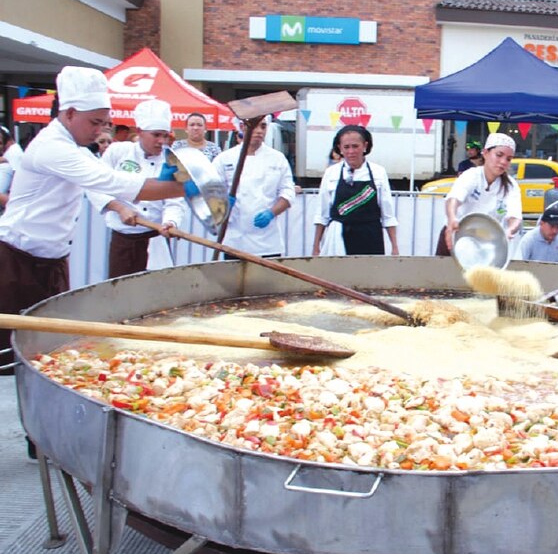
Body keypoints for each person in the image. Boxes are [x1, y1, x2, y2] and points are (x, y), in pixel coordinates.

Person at [0, 66, 196, 384]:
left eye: (104, 123)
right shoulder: (52, 147)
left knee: (48, 350)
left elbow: (108, 181)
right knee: (10, 356)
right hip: (16, 260)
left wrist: (175, 190)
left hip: (52, 260)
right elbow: (108, 181)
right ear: (70, 113)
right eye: (95, 122)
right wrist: (183, 187)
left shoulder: (76, 148)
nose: (100, 131)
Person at [86, 100, 187, 278]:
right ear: (139, 132)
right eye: (156, 135)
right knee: (121, 294)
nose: (161, 141)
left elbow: (174, 201)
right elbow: (94, 186)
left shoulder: (171, 160)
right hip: (123, 238)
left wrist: (171, 222)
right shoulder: (118, 152)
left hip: (156, 238)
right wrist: (119, 207)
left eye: (165, 135)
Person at [213, 116, 295, 258]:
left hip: (267, 241)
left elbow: (288, 192)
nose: (259, 131)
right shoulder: (224, 159)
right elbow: (211, 191)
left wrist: (271, 213)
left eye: (263, 127)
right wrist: (222, 202)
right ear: (243, 127)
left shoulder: (277, 158)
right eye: (255, 126)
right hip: (235, 240)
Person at [312, 125, 398, 256]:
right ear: (340, 148)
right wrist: (316, 246)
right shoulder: (331, 173)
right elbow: (322, 213)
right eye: (346, 147)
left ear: (365, 146)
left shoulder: (378, 172)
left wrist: (394, 247)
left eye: (355, 146)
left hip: (370, 235)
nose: (351, 151)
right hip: (339, 237)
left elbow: (387, 213)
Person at [435, 132, 522, 255]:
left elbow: (515, 216)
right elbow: (454, 198)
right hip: (456, 236)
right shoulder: (472, 175)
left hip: (485, 244)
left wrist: (510, 230)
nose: (503, 162)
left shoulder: (511, 186)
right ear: (485, 153)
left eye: (508, 159)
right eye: (499, 155)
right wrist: (452, 219)